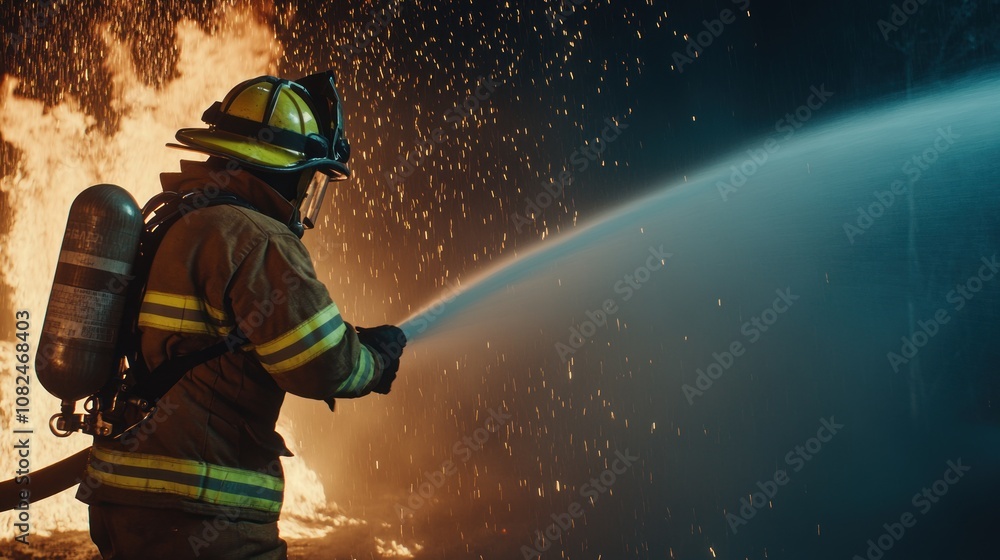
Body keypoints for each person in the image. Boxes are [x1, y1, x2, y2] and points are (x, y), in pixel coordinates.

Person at [76, 71, 406, 559]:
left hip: (123, 500)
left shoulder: (178, 220)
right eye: (309, 176)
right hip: (202, 511)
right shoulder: (260, 240)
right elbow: (322, 365)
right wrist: (375, 360)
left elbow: (225, 338)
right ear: (287, 169)